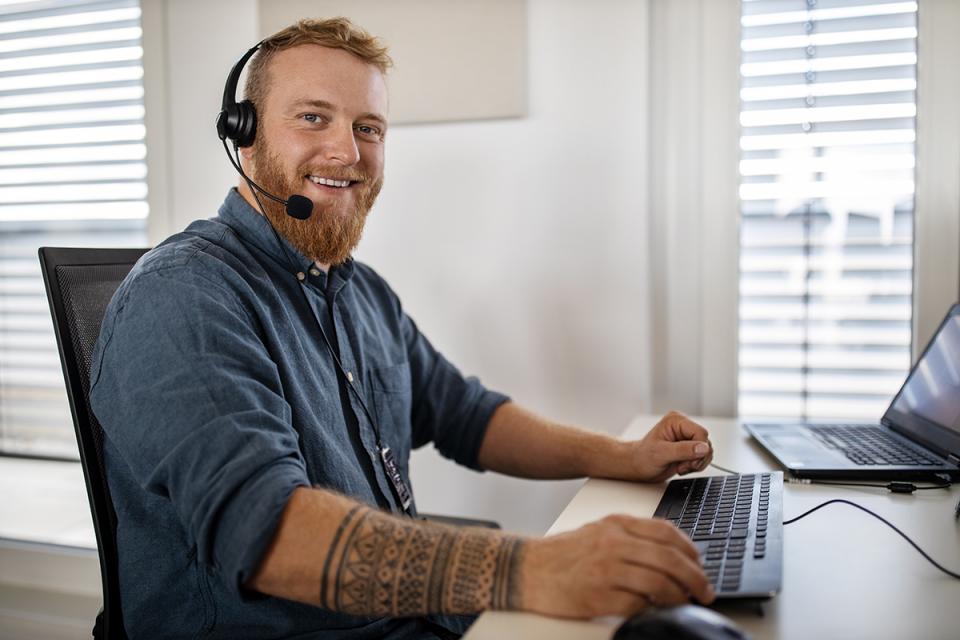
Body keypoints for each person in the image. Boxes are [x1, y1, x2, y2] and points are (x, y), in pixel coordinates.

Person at [89, 17, 715, 640]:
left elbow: (466, 416)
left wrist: (626, 456)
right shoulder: (184, 295)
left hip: (410, 617)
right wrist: (532, 568)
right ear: (244, 137)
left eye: (368, 128)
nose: (348, 152)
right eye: (313, 117)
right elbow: (268, 532)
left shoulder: (359, 293)